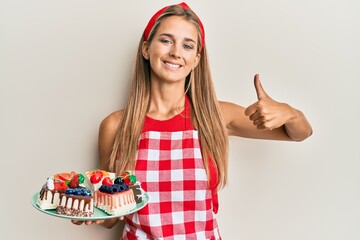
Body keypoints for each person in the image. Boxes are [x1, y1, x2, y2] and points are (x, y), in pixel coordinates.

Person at [72, 2, 312, 239]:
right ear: (146, 49)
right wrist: (92, 211)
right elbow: (111, 217)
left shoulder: (214, 117)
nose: (176, 52)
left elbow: (299, 133)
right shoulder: (115, 126)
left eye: (187, 45)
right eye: (166, 40)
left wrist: (290, 113)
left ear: (196, 59)